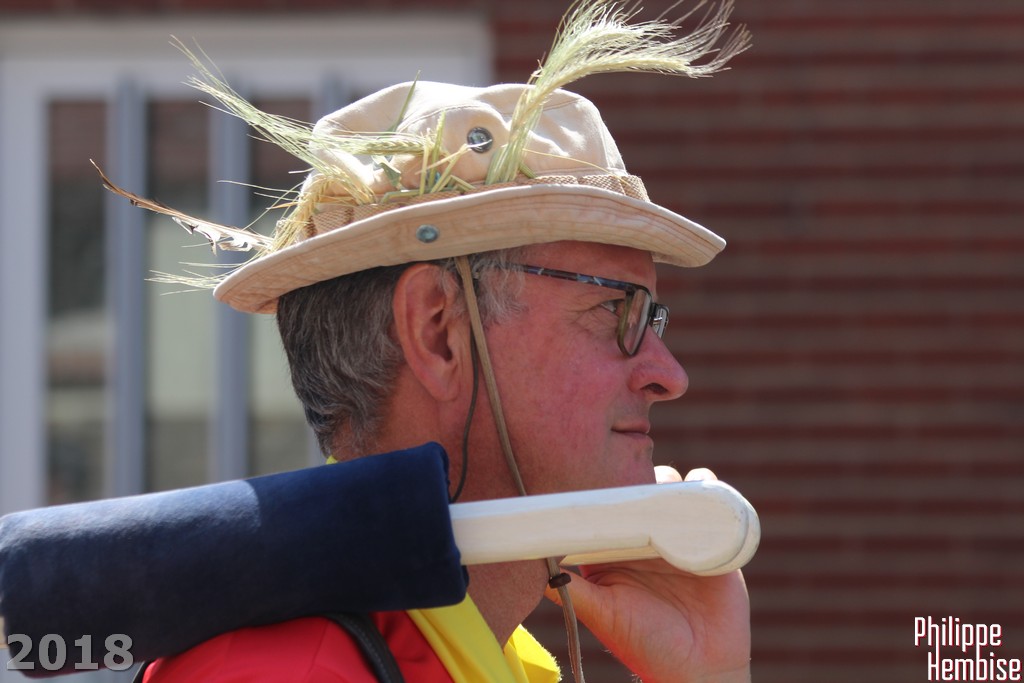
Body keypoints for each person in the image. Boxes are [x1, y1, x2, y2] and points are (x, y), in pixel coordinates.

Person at [128, 1, 753, 681]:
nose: (668, 373)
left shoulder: (498, 662)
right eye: (614, 309)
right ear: (438, 332)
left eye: (650, 319)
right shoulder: (287, 672)